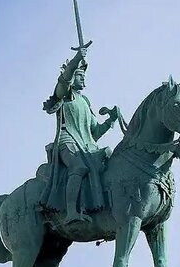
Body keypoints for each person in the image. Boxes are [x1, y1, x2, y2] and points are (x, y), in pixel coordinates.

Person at [42, 52, 122, 225]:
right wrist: (78, 58)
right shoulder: (66, 94)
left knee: (107, 158)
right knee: (78, 167)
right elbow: (64, 80)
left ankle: (102, 203)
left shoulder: (84, 101)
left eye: (84, 77)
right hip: (67, 141)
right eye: (81, 77)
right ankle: (71, 211)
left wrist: (110, 121)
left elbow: (94, 132)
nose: (84, 81)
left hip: (86, 145)